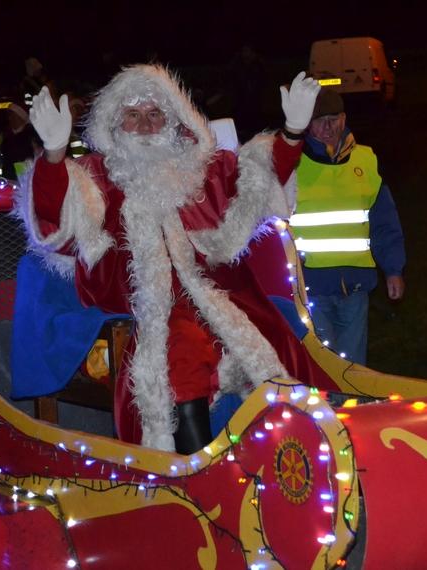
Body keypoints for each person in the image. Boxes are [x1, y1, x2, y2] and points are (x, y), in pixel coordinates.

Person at [16, 64, 321, 453]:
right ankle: (197, 468)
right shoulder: (95, 178)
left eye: (155, 114)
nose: (144, 125)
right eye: (133, 115)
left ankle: (292, 457)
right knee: (182, 349)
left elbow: (257, 177)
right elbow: (53, 223)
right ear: (114, 123)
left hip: (224, 299)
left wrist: (293, 133)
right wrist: (55, 155)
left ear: (175, 122)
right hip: (151, 311)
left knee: (281, 337)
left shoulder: (204, 172)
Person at [290, 89, 406, 365]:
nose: (328, 127)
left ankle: (351, 408)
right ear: (307, 124)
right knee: (323, 367)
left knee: (352, 368)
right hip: (310, 288)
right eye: (320, 120)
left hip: (355, 287)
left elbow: (384, 221)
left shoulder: (365, 160)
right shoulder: (292, 165)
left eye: (334, 118)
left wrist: (393, 270)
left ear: (344, 118)